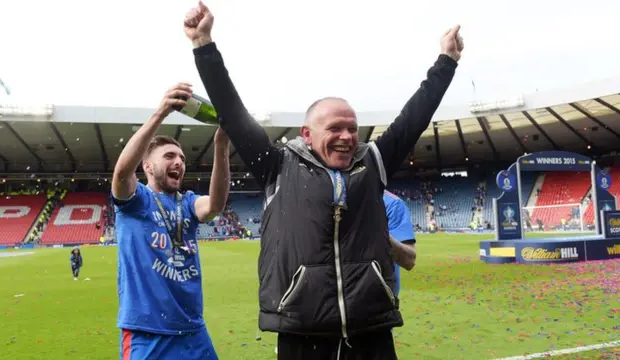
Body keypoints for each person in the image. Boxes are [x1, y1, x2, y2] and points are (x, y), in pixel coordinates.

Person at [184, 2, 463, 358]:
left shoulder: (373, 162)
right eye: (335, 128)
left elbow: (415, 117)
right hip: (302, 334)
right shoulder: (277, 167)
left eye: (352, 127)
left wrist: (446, 61)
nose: (347, 136)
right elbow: (233, 112)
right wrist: (204, 44)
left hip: (371, 330)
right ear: (307, 133)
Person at [111, 82, 231, 360]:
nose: (178, 162)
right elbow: (120, 174)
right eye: (169, 156)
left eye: (181, 158)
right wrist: (160, 113)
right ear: (148, 167)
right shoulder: (136, 200)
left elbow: (214, 205)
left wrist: (221, 143)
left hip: (192, 330)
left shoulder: (187, 202)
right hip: (147, 331)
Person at [383, 190, 417, 296]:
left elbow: (409, 261)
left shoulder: (393, 204)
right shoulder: (332, 201)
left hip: (380, 302)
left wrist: (378, 229)